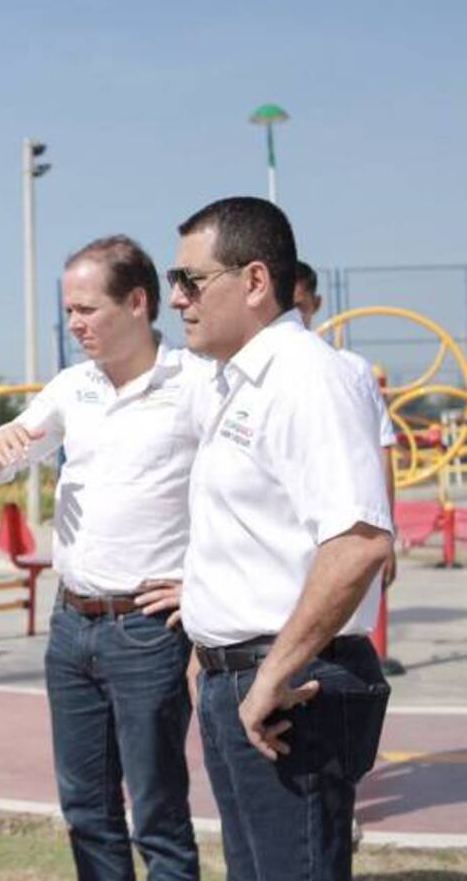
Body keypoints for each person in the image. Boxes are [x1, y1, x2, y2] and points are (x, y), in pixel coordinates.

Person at [169, 197, 393, 880]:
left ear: (256, 282)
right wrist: (210, 653)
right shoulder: (238, 384)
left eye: (191, 280)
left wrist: (268, 672)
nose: (177, 299)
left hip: (293, 690)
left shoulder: (305, 379)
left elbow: (358, 542)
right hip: (242, 678)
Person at [0, 235, 200, 880]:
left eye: (87, 309)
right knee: (85, 810)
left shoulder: (196, 383)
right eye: (69, 309)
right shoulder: (73, 388)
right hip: (71, 628)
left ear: (136, 302)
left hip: (147, 632)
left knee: (157, 813)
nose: (74, 324)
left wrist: (200, 582)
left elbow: (246, 488)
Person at [294, 261, 398, 587]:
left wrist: (386, 534)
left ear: (316, 305)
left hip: (334, 543)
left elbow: (381, 454)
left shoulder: (351, 371)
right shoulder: (236, 376)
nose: (293, 318)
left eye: (300, 307)